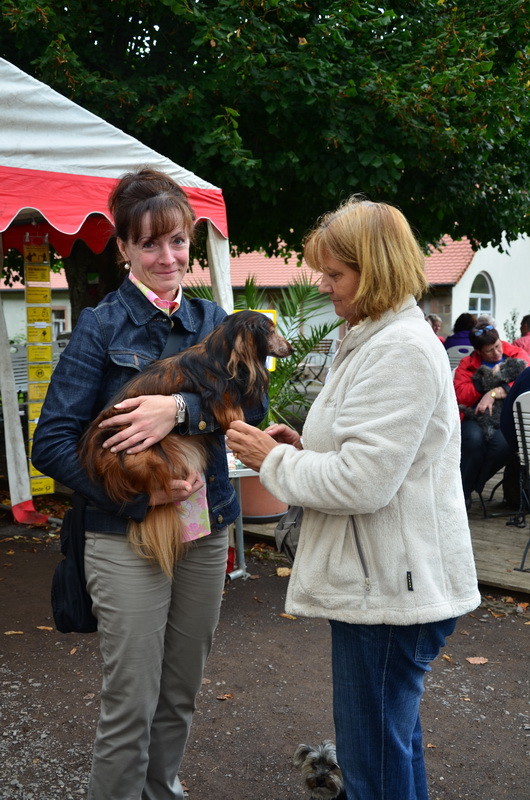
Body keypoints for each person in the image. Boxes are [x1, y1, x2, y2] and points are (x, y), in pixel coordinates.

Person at [225, 196, 481, 800]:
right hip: (389, 581)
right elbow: (366, 452)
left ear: (378, 271)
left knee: (375, 760)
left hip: (391, 589)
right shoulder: (376, 337)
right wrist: (303, 448)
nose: (324, 286)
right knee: (391, 743)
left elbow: (364, 483)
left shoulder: (399, 349)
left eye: (336, 274)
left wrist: (275, 461)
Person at [32, 167, 267, 800]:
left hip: (205, 527)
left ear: (191, 239)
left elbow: (255, 406)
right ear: (125, 249)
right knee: (130, 701)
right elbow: (50, 442)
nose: (167, 258)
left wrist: (180, 411)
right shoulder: (101, 328)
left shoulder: (214, 318)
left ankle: (162, 790)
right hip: (125, 532)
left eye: (177, 241)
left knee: (180, 691)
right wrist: (137, 492)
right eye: (149, 244)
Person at [453, 325, 530, 508]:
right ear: (478, 352)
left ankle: (472, 486)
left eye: (497, 346)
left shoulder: (516, 354)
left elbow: (525, 379)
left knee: (502, 445)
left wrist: (495, 392)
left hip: (507, 415)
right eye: (489, 351)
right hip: (476, 416)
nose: (496, 353)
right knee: (472, 440)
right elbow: (460, 394)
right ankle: (463, 494)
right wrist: (482, 383)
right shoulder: (467, 364)